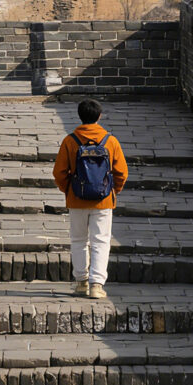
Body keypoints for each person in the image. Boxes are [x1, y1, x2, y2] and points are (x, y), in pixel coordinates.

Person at [52, 98, 128, 299]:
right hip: (103, 200)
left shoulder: (70, 141)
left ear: (80, 116)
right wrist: (113, 191)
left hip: (76, 198)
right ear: (99, 116)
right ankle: (96, 284)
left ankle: (81, 282)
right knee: (101, 241)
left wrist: (68, 189)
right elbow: (121, 172)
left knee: (78, 240)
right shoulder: (110, 141)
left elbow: (59, 172)